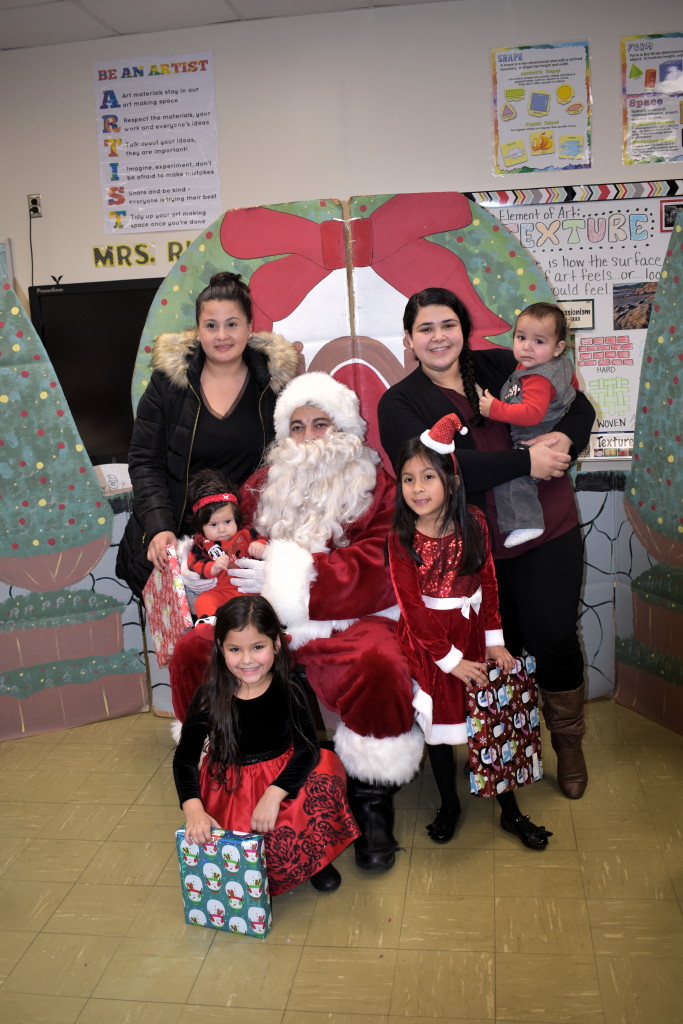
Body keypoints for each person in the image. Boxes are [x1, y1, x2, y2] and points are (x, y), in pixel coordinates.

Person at [170, 372, 423, 872]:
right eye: (298, 427)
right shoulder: (261, 486)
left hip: (348, 618)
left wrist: (293, 577)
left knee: (378, 663)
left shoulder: (377, 486)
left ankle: (372, 799)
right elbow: (226, 537)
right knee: (193, 651)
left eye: (321, 424)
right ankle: (212, 788)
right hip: (264, 624)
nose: (309, 438)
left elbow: (380, 565)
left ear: (346, 429)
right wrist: (203, 570)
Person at [378, 287, 595, 800]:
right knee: (503, 653)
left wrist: (566, 440)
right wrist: (526, 462)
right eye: (425, 328)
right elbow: (439, 469)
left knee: (556, 636)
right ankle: (508, 751)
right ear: (408, 340)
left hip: (548, 529)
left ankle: (568, 743)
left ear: (464, 330)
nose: (438, 337)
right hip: (473, 554)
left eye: (447, 325)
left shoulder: (503, 365)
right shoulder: (399, 403)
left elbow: (578, 407)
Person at [389, 414, 552, 849]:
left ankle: (510, 810)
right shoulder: (402, 536)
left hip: (475, 633)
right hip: (432, 647)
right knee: (441, 730)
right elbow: (412, 609)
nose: (418, 488)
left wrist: (496, 644)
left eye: (428, 476)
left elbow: (490, 584)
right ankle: (449, 803)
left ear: (452, 482)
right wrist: (451, 662)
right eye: (408, 479)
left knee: (489, 721)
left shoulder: (474, 523)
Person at [116, 271, 299, 598]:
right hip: (180, 543)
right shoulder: (168, 384)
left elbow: (292, 465)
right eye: (211, 325)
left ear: (249, 326)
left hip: (246, 548)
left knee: (246, 645)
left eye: (232, 324)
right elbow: (146, 462)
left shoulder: (274, 386)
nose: (222, 335)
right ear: (198, 330)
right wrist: (160, 528)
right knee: (190, 646)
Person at [172, 595, 359, 894]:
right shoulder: (209, 696)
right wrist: (193, 808)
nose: (247, 660)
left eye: (257, 647)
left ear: (275, 644)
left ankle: (315, 858)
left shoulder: (288, 688)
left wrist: (274, 794)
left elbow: (307, 748)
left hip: (283, 779)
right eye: (235, 649)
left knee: (325, 767)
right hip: (231, 790)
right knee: (246, 859)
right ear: (221, 650)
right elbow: (184, 760)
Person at [478, 302, 577, 548]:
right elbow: (573, 384)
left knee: (512, 477)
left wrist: (494, 409)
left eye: (539, 342)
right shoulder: (554, 365)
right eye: (521, 337)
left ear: (558, 348)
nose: (527, 347)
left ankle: (525, 522)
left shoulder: (537, 378)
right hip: (551, 434)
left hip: (536, 436)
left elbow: (531, 414)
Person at [186, 469, 266, 619]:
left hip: (252, 590)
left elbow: (267, 542)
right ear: (201, 526)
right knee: (202, 601)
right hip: (222, 592)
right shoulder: (202, 543)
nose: (222, 529)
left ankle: (273, 632)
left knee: (270, 605)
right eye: (213, 524)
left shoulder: (247, 534)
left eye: (227, 521)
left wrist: (260, 545)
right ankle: (211, 626)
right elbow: (194, 563)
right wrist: (212, 567)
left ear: (236, 518)